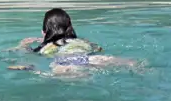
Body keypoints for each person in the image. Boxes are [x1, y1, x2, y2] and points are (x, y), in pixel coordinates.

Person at [9, 8, 137, 75]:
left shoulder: (45, 47)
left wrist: (23, 45)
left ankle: (33, 70)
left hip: (62, 62)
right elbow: (98, 49)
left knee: (58, 75)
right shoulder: (82, 41)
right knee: (131, 63)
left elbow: (27, 54)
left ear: (44, 32)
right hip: (88, 59)